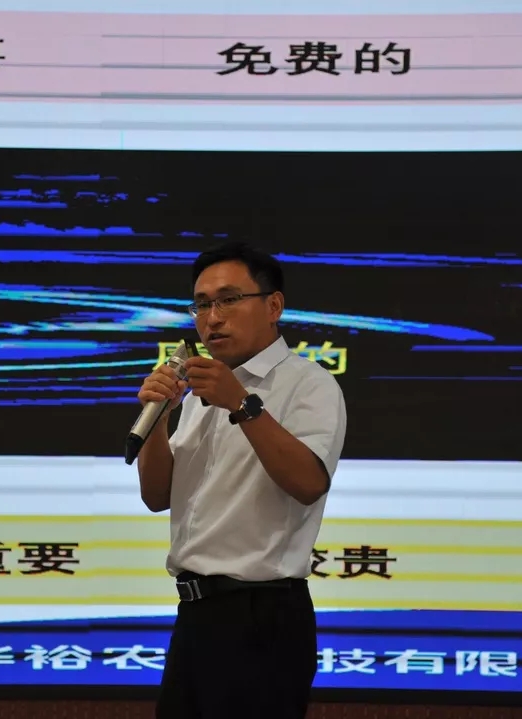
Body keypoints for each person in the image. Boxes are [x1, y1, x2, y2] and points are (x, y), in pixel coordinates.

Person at [135, 241, 348, 718]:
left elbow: (309, 483)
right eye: (201, 305)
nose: (212, 318)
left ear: (273, 306)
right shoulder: (200, 390)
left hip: (262, 617)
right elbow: (157, 495)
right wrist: (160, 419)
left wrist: (241, 403)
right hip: (195, 615)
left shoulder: (308, 384)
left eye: (229, 300)